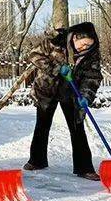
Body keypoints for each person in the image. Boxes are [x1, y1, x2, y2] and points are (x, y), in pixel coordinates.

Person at [25, 22, 102, 180]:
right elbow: (33, 55)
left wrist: (86, 97)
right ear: (75, 38)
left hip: (71, 92)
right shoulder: (56, 40)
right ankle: (37, 161)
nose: (85, 48)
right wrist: (56, 68)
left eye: (89, 45)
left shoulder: (92, 53)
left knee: (77, 127)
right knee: (42, 125)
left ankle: (84, 167)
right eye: (83, 44)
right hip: (47, 89)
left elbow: (92, 77)